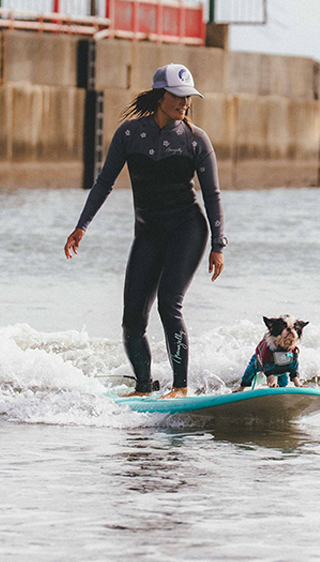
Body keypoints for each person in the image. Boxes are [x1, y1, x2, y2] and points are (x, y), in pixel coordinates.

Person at [64, 64, 227, 399]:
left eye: (188, 97)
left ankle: (180, 387)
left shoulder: (195, 140)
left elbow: (212, 194)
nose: (184, 103)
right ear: (160, 96)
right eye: (177, 96)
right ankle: (143, 387)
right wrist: (82, 226)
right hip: (148, 233)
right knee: (132, 319)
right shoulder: (129, 134)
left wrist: (218, 243)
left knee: (169, 303)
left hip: (187, 228)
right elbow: (104, 183)